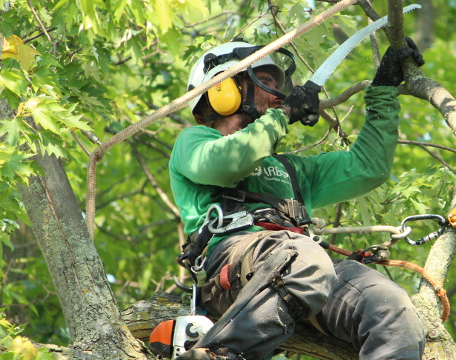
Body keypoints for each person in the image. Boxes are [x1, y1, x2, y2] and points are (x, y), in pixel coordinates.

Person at [167, 38, 427, 360]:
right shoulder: (195, 142)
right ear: (224, 89)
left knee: (390, 306)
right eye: (264, 81)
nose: (276, 94)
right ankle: (221, 353)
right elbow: (229, 163)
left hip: (303, 271)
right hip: (235, 265)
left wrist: (383, 90)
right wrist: (283, 116)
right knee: (303, 257)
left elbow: (368, 168)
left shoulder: (291, 168)